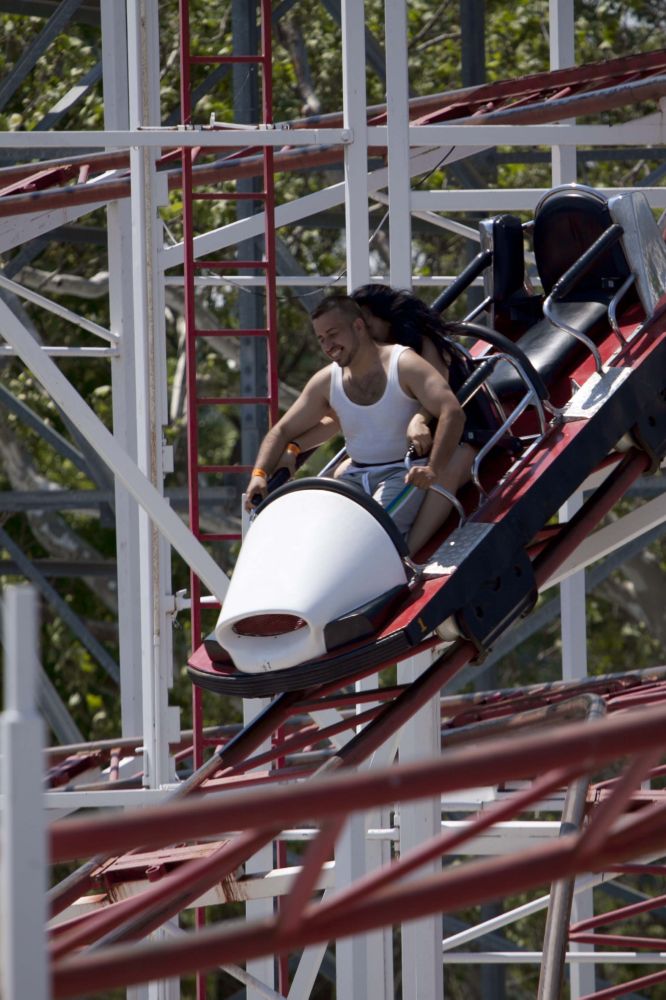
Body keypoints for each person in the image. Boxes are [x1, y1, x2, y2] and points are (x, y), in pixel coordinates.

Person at [245, 293, 474, 558]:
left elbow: (451, 412)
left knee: (366, 542)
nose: (328, 345)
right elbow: (282, 430)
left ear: (358, 326)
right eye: (321, 339)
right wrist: (259, 476)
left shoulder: (404, 363)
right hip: (355, 476)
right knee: (314, 540)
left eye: (333, 334)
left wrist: (433, 469)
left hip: (401, 472)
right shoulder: (325, 381)